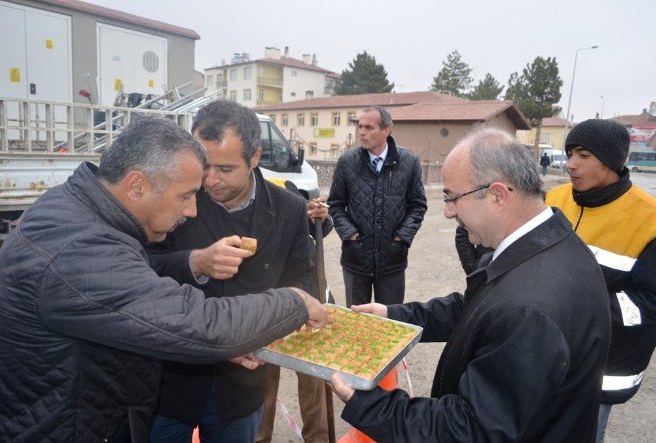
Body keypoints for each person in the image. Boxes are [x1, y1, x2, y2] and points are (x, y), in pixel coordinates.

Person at [0, 115, 329, 442]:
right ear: (137, 185)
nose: (192, 210)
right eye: (185, 196)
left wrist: (221, 346)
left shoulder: (81, 211)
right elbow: (196, 322)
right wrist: (294, 301)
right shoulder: (82, 248)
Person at [330, 127, 611, 442]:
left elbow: (470, 429)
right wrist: (394, 316)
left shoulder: (530, 308)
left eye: (452, 197)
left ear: (497, 194)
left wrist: (369, 405)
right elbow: (479, 308)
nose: (448, 212)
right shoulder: (539, 243)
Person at [146, 100, 319, 442]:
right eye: (204, 165)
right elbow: (137, 268)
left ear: (255, 157)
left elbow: (300, 282)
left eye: (225, 169)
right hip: (170, 377)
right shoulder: (172, 197)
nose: (210, 180)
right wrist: (194, 262)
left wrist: (267, 329)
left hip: (241, 386)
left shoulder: (290, 209)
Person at [545, 119, 656, 441]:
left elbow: (650, 303)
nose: (571, 164)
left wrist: (573, 311)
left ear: (612, 161)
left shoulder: (655, 221)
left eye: (583, 155)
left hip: (602, 369)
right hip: (548, 351)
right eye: (570, 152)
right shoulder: (556, 199)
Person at [256, 179, 333, 443]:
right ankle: (260, 437)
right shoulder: (237, 197)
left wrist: (318, 216)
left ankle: (318, 438)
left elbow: (315, 223)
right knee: (262, 379)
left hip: (305, 299)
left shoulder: (282, 187)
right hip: (266, 302)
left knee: (312, 376)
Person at [327, 106, 427, 307]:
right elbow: (335, 205)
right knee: (356, 321)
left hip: (392, 259)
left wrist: (401, 237)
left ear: (386, 130)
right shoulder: (347, 162)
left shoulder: (409, 162)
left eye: (368, 127)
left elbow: (418, 205)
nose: (361, 132)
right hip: (356, 258)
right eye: (360, 127)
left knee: (390, 320)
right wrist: (350, 235)